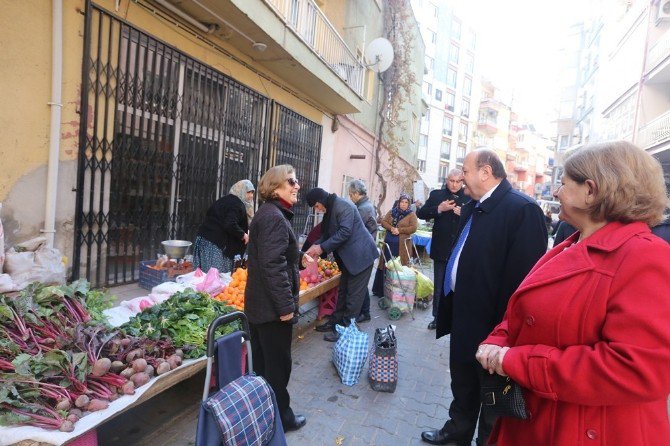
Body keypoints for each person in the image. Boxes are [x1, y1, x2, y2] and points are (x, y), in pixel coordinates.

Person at [476, 141, 670, 445]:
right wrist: (498, 340)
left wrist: (517, 361)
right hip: (539, 419)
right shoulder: (572, 244)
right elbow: (528, 314)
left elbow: (638, 369)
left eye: (563, 184)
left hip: (586, 430)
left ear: (591, 191)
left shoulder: (646, 256)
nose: (555, 193)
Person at [421, 149, 547, 446]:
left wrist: (504, 334)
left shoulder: (522, 210)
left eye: (465, 171)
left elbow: (523, 283)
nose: (461, 178)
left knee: (491, 399)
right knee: (462, 384)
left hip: (494, 329)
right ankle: (457, 433)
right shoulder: (474, 205)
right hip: (464, 317)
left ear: (485, 172)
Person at [244, 165, 313, 433]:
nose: (297, 186)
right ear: (275, 188)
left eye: (297, 181)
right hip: (272, 310)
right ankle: (281, 418)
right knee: (277, 367)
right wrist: (286, 307)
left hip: (261, 306)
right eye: (291, 182)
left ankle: (263, 415)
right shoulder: (274, 216)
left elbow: (269, 256)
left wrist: (297, 257)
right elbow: (272, 265)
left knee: (263, 365)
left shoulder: (268, 213)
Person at [304, 187, 379, 342]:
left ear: (320, 201)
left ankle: (344, 331)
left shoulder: (343, 205)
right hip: (349, 260)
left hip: (361, 258)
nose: (317, 210)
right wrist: (315, 246)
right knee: (343, 293)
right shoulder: (331, 208)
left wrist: (321, 247)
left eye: (316, 207)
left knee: (353, 298)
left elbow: (345, 232)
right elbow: (327, 234)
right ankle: (334, 323)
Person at [416, 169, 468, 330]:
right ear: (447, 180)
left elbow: (479, 220)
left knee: (457, 286)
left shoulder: (470, 197)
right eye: (451, 180)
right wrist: (439, 209)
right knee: (439, 286)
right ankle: (437, 318)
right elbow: (421, 213)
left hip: (460, 252)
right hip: (441, 249)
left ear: (462, 182)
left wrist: (464, 214)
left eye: (458, 181)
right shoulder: (437, 195)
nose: (454, 184)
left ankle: (455, 319)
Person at [193, 179, 254, 273]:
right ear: (241, 191)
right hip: (214, 246)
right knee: (215, 280)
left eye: (252, 193)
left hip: (204, 241)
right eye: (248, 192)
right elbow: (230, 223)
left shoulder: (226, 200)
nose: (251, 196)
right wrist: (243, 235)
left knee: (202, 276)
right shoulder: (237, 204)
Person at [371, 193, 418, 297]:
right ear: (399, 202)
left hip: (402, 246)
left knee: (398, 267)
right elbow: (383, 222)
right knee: (386, 264)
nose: (403, 204)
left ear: (409, 204)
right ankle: (381, 291)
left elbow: (413, 228)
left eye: (406, 202)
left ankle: (396, 293)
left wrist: (399, 230)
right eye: (402, 202)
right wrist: (391, 228)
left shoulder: (411, 215)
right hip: (388, 244)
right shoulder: (392, 211)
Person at [348, 179, 378, 323]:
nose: (350, 197)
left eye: (350, 194)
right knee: (363, 284)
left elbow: (352, 230)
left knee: (360, 286)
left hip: (363, 250)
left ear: (355, 193)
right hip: (366, 249)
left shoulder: (362, 209)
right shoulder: (366, 205)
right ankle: (365, 312)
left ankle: (364, 312)